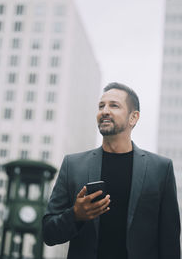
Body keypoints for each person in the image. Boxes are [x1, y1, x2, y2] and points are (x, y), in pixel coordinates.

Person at [42, 82, 181, 259]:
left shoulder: (161, 169)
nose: (104, 111)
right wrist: (75, 215)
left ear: (133, 117)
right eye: (101, 106)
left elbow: (170, 242)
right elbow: (48, 233)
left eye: (114, 105)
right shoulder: (73, 165)